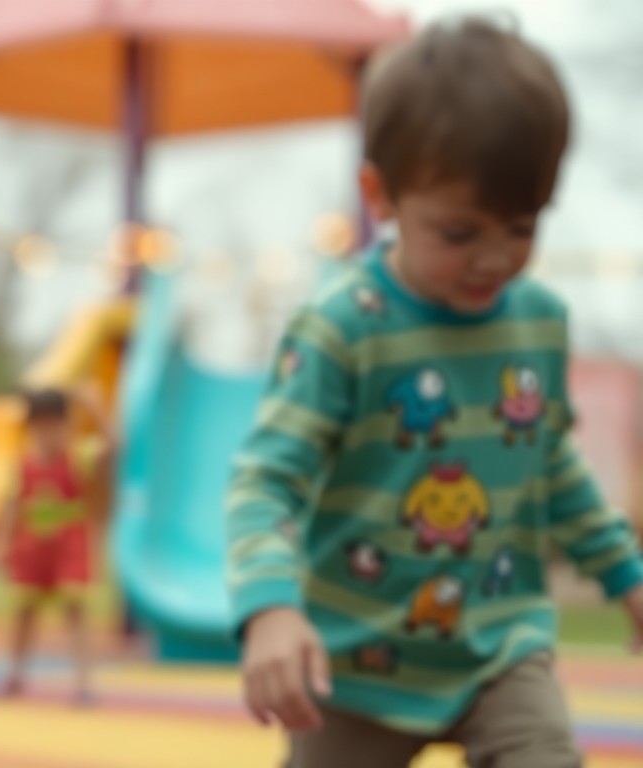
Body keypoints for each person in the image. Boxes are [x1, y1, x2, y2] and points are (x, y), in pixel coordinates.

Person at [226, 18, 643, 768]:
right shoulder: (342, 328)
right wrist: (270, 608)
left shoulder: (538, 322)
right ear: (379, 195)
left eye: (520, 228)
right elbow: (266, 480)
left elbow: (550, 462)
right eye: (458, 233)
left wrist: (627, 574)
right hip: (354, 667)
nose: (493, 258)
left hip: (499, 650)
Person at [0, 386, 113, 706]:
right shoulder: (23, 465)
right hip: (32, 545)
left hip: (70, 544)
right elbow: (11, 505)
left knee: (75, 609)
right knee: (24, 611)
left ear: (68, 426)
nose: (47, 434)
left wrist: (96, 410)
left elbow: (113, 448)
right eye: (40, 426)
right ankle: (15, 674)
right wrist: (1, 542)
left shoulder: (81, 455)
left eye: (55, 426)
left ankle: (84, 682)